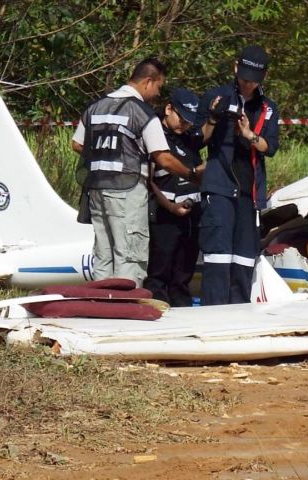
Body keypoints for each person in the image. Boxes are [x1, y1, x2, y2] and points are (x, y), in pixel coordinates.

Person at [71, 57, 203, 284]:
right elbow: (163, 158)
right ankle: (124, 311)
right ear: (148, 81)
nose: (158, 94)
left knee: (104, 254)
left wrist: (108, 156)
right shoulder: (142, 113)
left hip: (96, 191)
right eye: (158, 87)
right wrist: (191, 175)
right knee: (130, 255)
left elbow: (77, 143)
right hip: (128, 191)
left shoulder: (95, 107)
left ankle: (103, 308)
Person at [195, 45, 280, 305]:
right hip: (219, 188)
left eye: (253, 82)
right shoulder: (217, 96)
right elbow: (197, 140)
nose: (248, 86)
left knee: (244, 260)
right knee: (218, 259)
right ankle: (213, 318)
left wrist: (249, 135)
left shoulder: (268, 108)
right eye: (244, 80)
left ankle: (240, 317)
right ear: (235, 69)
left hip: (249, 192)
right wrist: (212, 119)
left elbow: (271, 147)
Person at [144, 88, 203, 306]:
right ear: (169, 109)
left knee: (183, 273)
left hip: (191, 214)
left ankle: (183, 312)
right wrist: (170, 207)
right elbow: (148, 181)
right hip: (164, 214)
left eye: (189, 122)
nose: (184, 126)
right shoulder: (153, 134)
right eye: (182, 119)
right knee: (159, 272)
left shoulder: (188, 137)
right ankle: (158, 313)